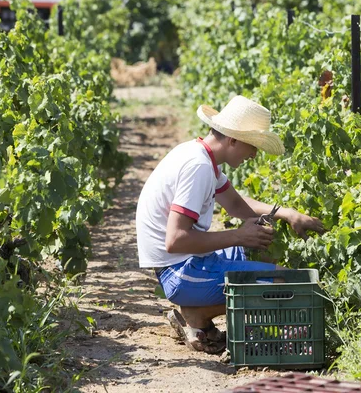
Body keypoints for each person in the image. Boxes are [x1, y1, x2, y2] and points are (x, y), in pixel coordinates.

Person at [135, 95, 325, 354]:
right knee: (279, 279)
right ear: (233, 140)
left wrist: (288, 214)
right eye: (253, 146)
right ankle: (198, 313)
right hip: (179, 271)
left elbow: (236, 205)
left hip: (185, 261)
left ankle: (198, 311)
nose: (255, 154)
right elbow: (175, 240)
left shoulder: (201, 157)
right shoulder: (198, 167)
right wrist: (238, 236)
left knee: (261, 250)